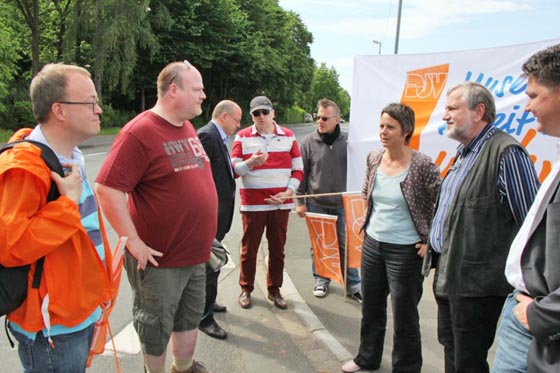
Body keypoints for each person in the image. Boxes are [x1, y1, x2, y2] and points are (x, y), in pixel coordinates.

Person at [95, 60, 217, 373]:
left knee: (188, 318)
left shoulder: (185, 125)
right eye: (197, 89)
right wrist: (133, 241)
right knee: (155, 326)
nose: (204, 95)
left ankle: (183, 367)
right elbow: (107, 189)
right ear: (173, 90)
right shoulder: (139, 131)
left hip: (194, 255)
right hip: (160, 259)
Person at [0, 63, 111, 372]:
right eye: (90, 102)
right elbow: (11, 246)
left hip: (77, 312)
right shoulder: (25, 168)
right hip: (53, 327)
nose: (99, 109)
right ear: (59, 110)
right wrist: (67, 203)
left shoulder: (68, 158)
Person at [425, 82, 540, 373]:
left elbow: (533, 226)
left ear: (478, 112)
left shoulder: (506, 153)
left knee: (468, 360)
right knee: (452, 350)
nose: (445, 115)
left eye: (452, 108)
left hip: (478, 285)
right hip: (450, 275)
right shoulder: (464, 154)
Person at [341, 103, 441, 373]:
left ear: (406, 130)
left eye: (390, 127)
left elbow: (441, 204)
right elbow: (366, 191)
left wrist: (429, 239)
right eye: (381, 126)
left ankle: (406, 368)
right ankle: (367, 358)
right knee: (371, 307)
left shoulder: (422, 165)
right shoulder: (374, 157)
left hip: (406, 252)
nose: (383, 132)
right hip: (373, 244)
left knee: (405, 315)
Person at [492, 44, 560, 373]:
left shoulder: (506, 152)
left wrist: (541, 316)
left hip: (539, 323)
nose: (527, 105)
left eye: (533, 95)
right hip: (527, 311)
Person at [231, 96, 303, 310]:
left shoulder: (288, 136)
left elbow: (298, 169)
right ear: (251, 116)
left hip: (281, 204)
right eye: (256, 113)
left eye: (264, 112)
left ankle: (275, 290)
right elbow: (233, 169)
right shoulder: (242, 136)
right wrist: (250, 163)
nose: (261, 117)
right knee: (249, 249)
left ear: (273, 113)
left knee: (278, 249)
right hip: (253, 204)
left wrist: (287, 193)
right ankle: (246, 289)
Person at [295, 98, 362, 302]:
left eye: (324, 118)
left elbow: (359, 170)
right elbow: (301, 173)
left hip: (343, 204)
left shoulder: (349, 143)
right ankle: (321, 280)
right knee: (320, 244)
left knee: (346, 244)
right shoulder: (308, 142)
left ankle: (353, 285)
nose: (320, 121)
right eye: (318, 117)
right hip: (317, 203)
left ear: (336, 120)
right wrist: (300, 202)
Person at [196, 100, 241, 340]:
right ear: (224, 116)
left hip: (217, 215)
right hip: (208, 216)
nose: (238, 125)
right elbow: (197, 177)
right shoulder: (206, 136)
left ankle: (208, 303)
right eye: (236, 120)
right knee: (210, 264)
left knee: (211, 265)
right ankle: (204, 318)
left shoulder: (217, 137)